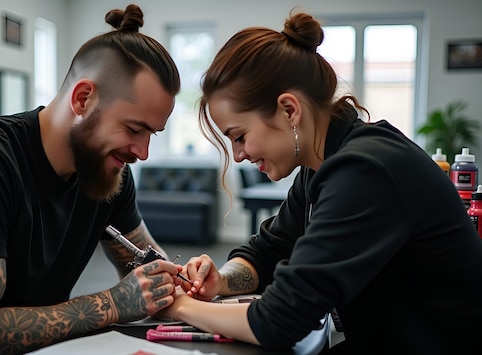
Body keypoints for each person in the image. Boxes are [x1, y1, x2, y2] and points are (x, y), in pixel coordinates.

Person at [161, 11, 482, 354]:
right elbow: (268, 250)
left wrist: (179, 307)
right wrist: (222, 280)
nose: (238, 155)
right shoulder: (322, 166)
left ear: (289, 110)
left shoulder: (365, 171)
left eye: (239, 137)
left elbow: (279, 321)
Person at [0, 4, 182, 354]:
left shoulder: (107, 170)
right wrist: (114, 304)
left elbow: (147, 266)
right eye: (134, 129)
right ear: (83, 99)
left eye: (152, 133)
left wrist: (176, 280)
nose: (143, 151)